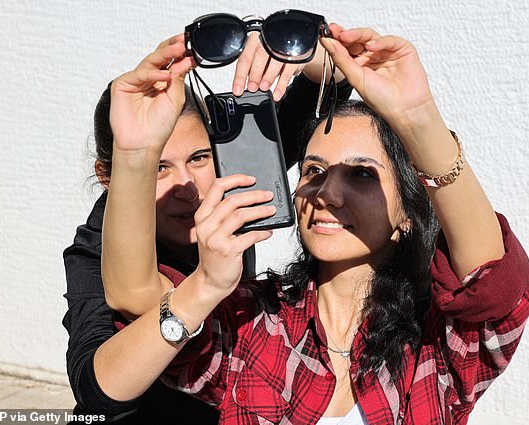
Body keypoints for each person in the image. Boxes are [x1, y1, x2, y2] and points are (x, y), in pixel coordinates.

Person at [100, 23, 529, 425]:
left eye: (361, 173)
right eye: (313, 171)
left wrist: (419, 118)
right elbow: (134, 307)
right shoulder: (253, 322)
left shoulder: (436, 341)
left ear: (407, 214)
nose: (327, 193)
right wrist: (135, 154)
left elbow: (493, 286)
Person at [62, 31, 354, 423]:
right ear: (109, 176)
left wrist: (297, 50)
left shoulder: (230, 180)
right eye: (158, 167)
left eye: (199, 157)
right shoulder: (97, 246)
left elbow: (330, 85)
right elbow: (95, 390)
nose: (188, 186)